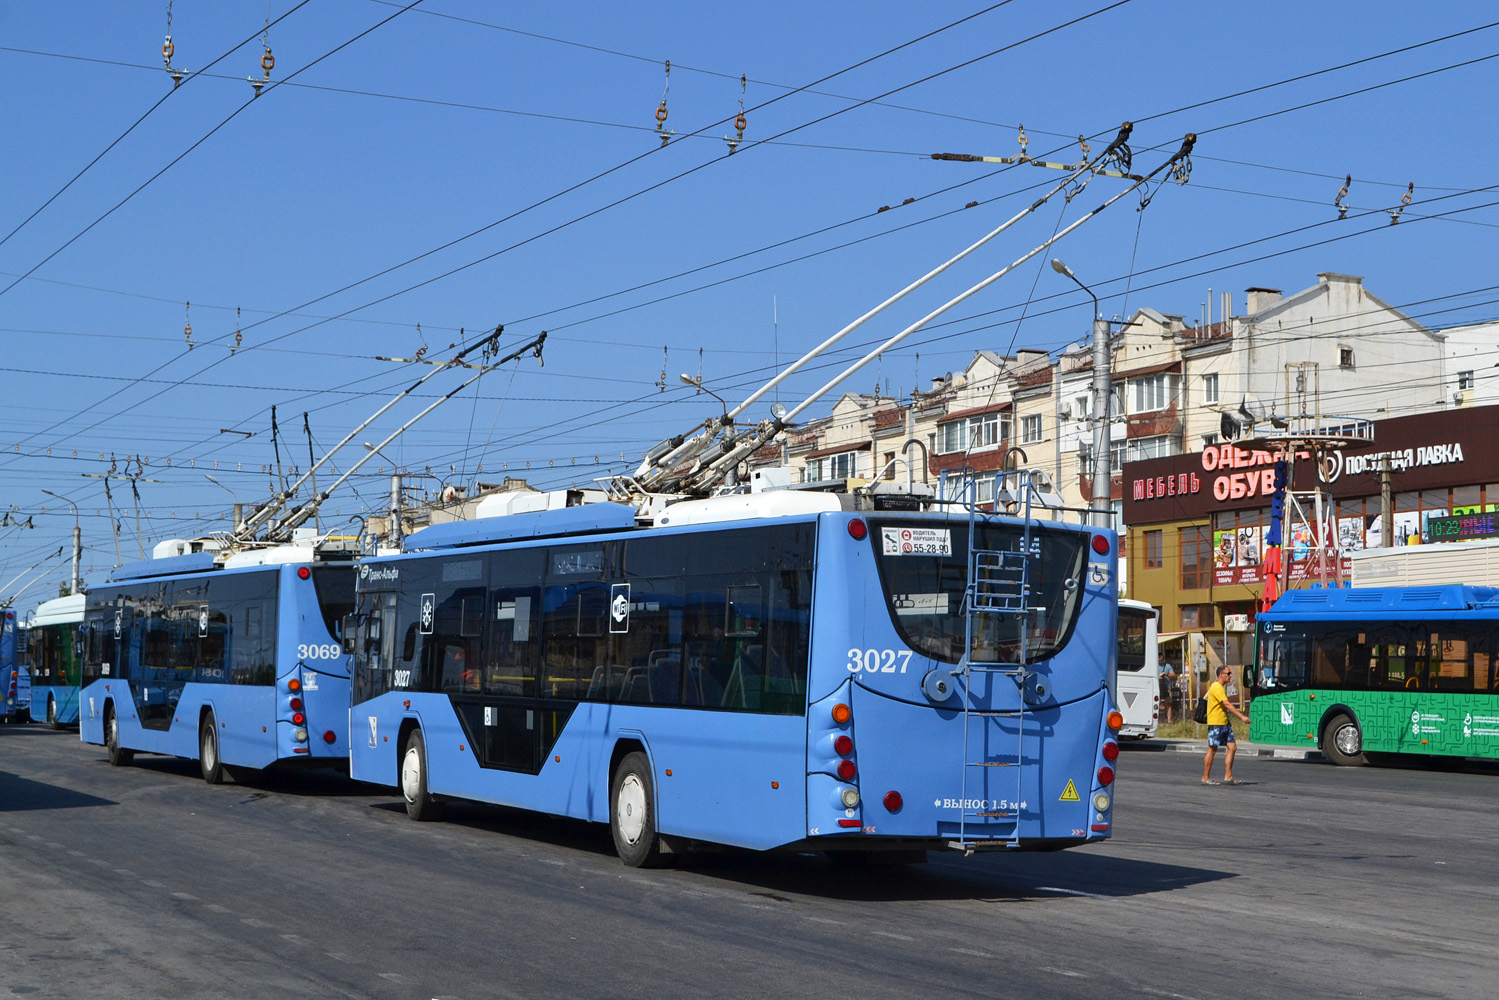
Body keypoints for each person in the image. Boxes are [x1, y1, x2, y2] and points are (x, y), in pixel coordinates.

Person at [1201, 664, 1250, 785]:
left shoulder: (1221, 687)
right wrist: (1242, 716)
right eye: (1228, 673)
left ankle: (1228, 776)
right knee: (1212, 749)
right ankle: (1205, 777)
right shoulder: (1217, 687)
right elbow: (1227, 704)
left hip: (1224, 723)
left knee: (1232, 747)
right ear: (1221, 675)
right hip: (1216, 723)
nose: (1230, 676)